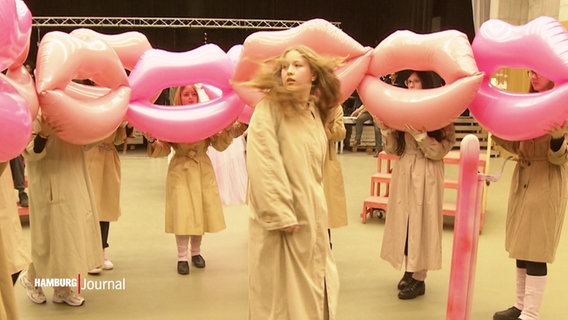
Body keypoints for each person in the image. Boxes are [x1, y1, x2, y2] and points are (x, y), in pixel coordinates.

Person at [244, 45, 342, 319]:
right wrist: (280, 212)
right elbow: (263, 161)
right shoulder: (268, 110)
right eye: (285, 66)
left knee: (314, 289)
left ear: (313, 75)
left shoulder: (312, 113)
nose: (289, 71)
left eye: (297, 65)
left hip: (311, 217)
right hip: (282, 223)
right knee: (280, 297)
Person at [492, 70, 568, 320]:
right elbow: (517, 144)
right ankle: (520, 305)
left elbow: (560, 158)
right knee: (522, 247)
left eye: (538, 72)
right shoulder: (525, 103)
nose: (533, 76)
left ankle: (531, 314)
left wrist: (558, 139)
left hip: (546, 180)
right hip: (523, 178)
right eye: (530, 72)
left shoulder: (562, 104)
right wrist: (499, 127)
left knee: (536, 248)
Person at [146, 84, 244, 275]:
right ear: (179, 97)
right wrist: (152, 141)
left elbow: (219, 144)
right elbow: (164, 147)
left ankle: (196, 252)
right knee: (183, 212)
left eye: (193, 94)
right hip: (180, 168)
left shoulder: (206, 116)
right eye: (186, 94)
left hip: (201, 167)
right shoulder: (172, 119)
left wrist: (231, 130)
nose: (190, 97)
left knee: (200, 210)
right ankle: (182, 256)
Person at [378, 70, 456, 300]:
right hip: (404, 169)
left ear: (426, 83)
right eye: (408, 81)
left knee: (423, 221)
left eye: (415, 81)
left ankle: (419, 277)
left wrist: (422, 136)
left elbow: (442, 149)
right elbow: (392, 150)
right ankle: (409, 269)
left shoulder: (441, 111)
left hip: (427, 170)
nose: (411, 85)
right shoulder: (402, 110)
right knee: (405, 220)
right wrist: (386, 129)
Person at [20, 115, 103, 307]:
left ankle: (62, 288)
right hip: (49, 182)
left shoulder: (71, 107)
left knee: (69, 235)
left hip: (74, 177)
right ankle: (32, 279)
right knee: (50, 239)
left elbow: (84, 144)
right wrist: (44, 134)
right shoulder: (35, 112)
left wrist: (101, 127)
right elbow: (29, 152)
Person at [85, 122, 133, 272]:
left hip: (110, 158)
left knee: (106, 205)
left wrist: (127, 125)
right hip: (90, 156)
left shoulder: (116, 108)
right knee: (90, 206)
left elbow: (118, 140)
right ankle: (88, 254)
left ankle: (101, 252)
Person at [324, 105, 348, 249]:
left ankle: (327, 245)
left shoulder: (333, 107)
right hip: (302, 161)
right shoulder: (300, 104)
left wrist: (329, 126)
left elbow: (341, 133)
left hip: (325, 161)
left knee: (324, 208)